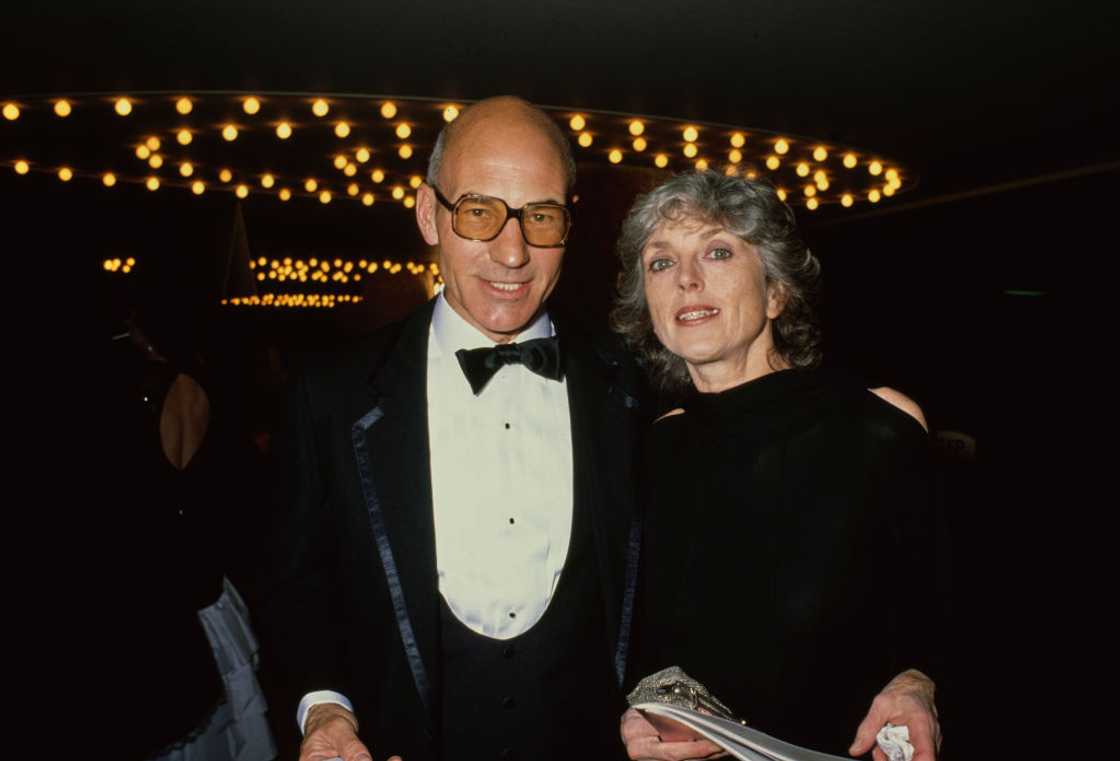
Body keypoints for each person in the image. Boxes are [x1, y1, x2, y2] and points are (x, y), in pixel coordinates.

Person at [259, 96, 645, 761]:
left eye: (541, 217)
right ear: (428, 213)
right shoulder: (330, 394)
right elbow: (295, 590)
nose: (513, 251)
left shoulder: (634, 387)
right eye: (479, 212)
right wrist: (324, 709)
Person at [612, 172, 946, 760]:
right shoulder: (651, 448)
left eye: (718, 252)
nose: (687, 279)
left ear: (775, 292)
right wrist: (635, 717)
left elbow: (950, 611)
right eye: (661, 264)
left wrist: (918, 684)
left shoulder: (877, 426)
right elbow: (631, 642)